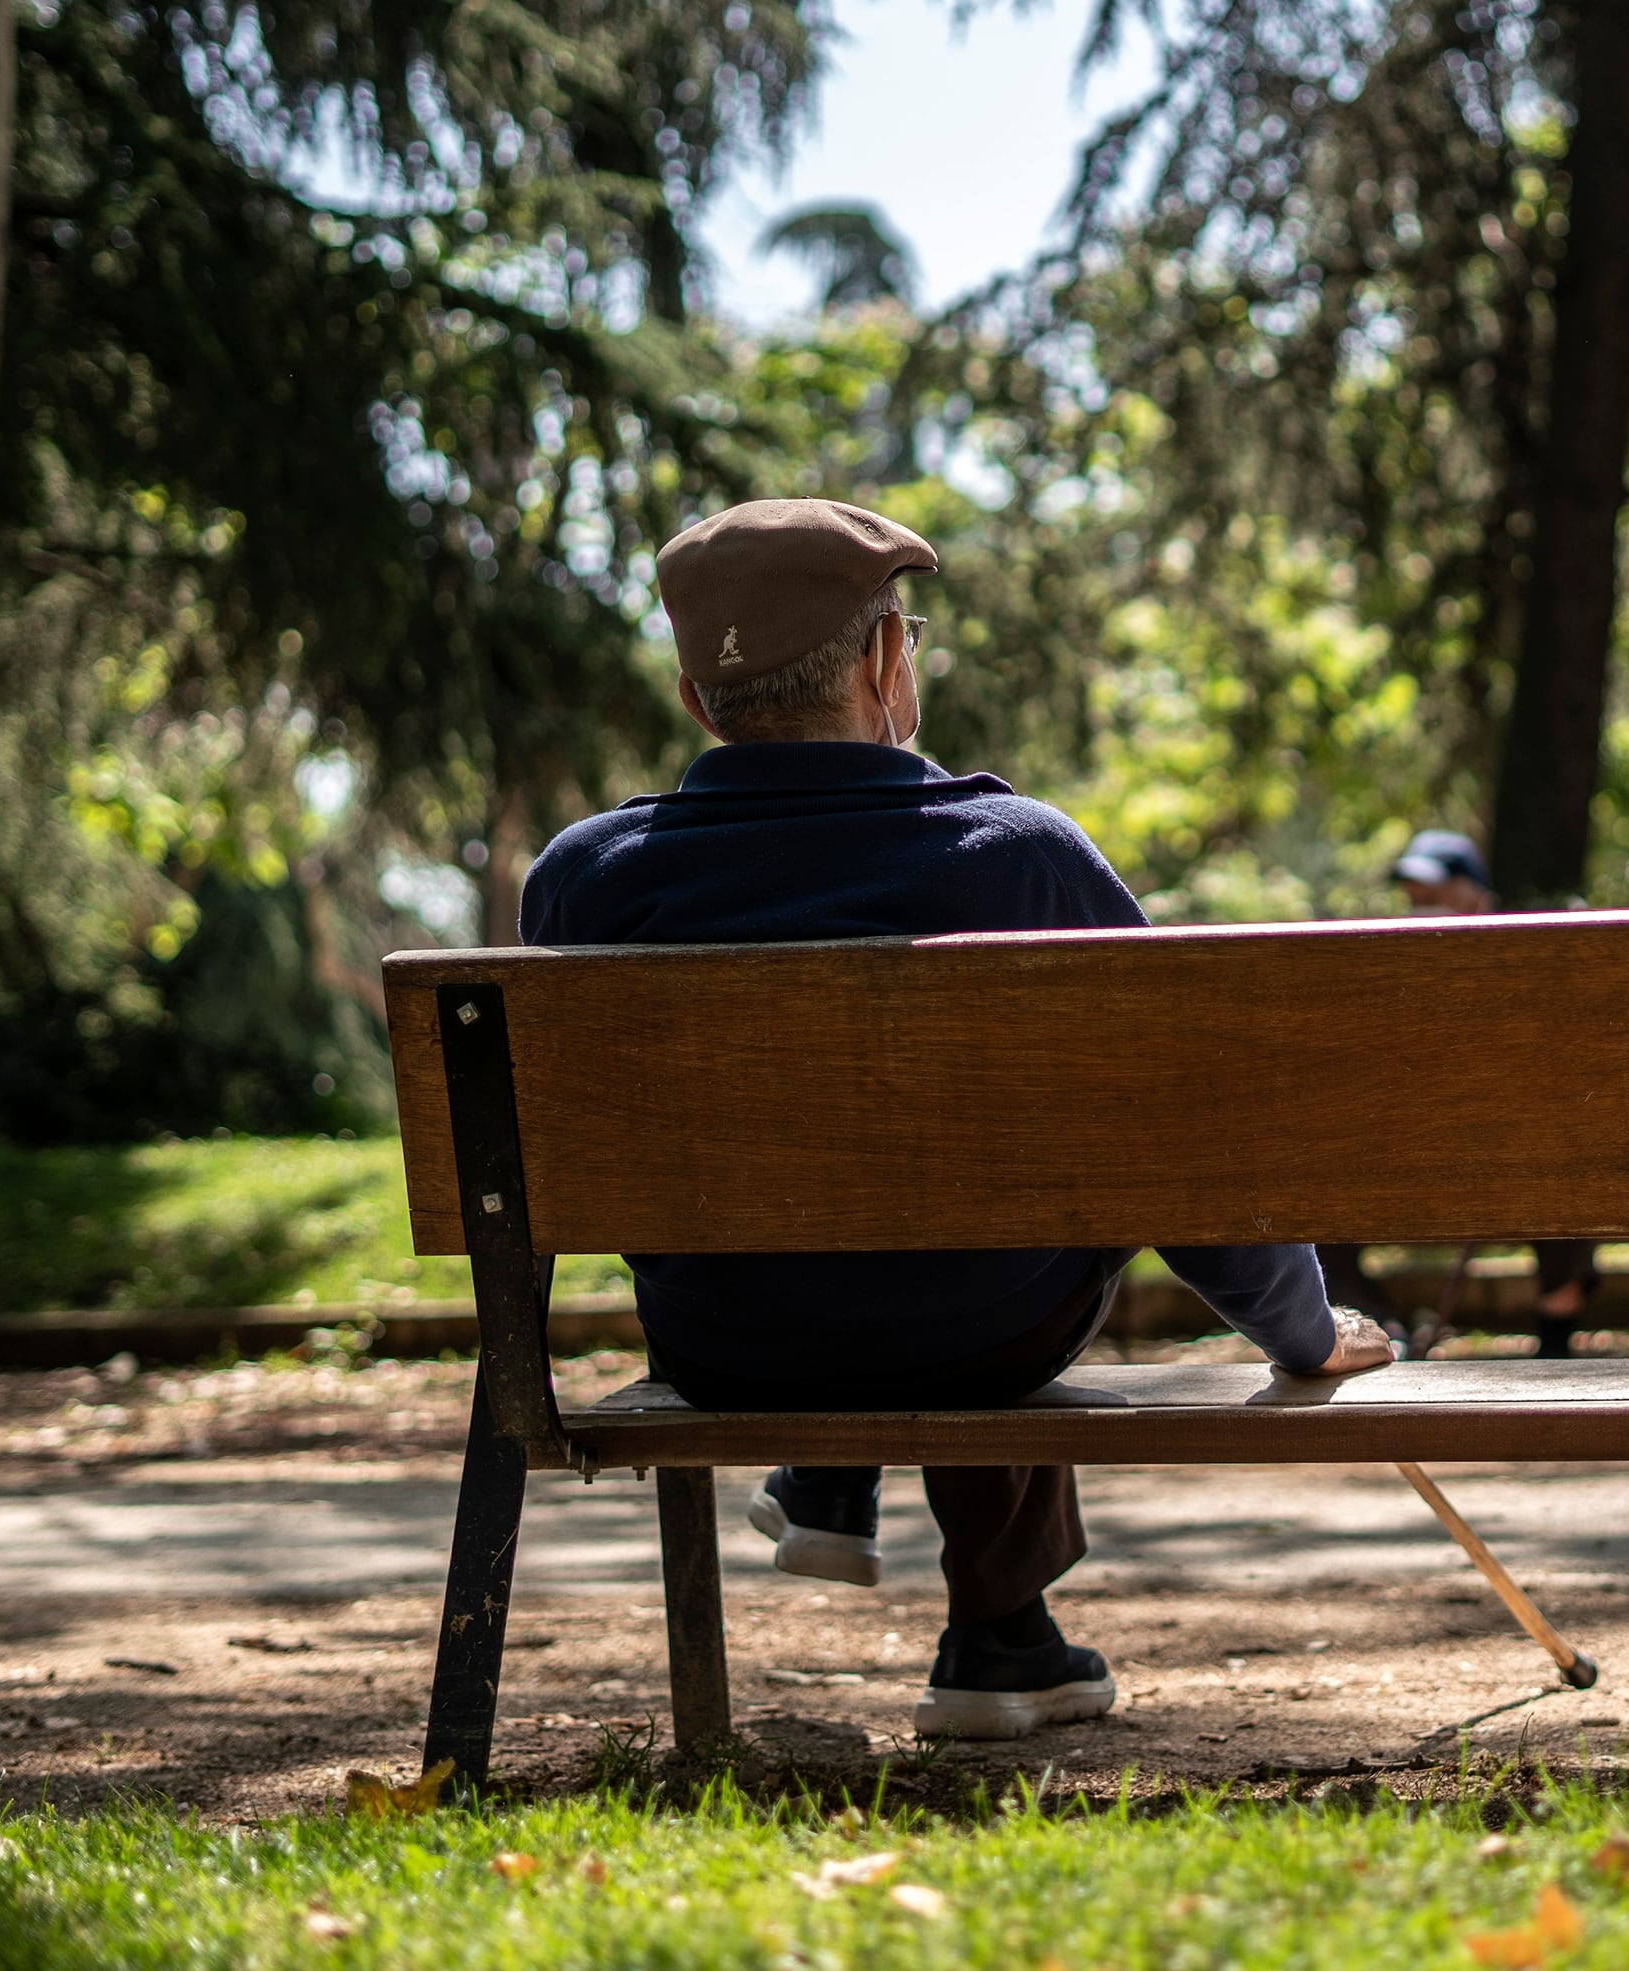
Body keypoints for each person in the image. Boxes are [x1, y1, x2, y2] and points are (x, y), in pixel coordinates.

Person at [518, 498, 1395, 1741]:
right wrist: (1306, 1337)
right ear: (885, 663)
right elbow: (1183, 1159)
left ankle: (841, 1487)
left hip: (725, 1339)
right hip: (985, 1332)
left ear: (697, 701)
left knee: (893, 1207)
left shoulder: (583, 878)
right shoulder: (1023, 858)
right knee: (1020, 1199)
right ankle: (1000, 1638)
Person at [1310, 829, 1605, 1358]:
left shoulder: (1518, 968)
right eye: (1415, 897)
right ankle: (1385, 1333)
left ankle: (1550, 1338)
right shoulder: (1399, 971)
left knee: (1568, 1159)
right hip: (1412, 1160)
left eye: (1436, 893)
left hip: (1500, 1160)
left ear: (1479, 896)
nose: (1421, 907)